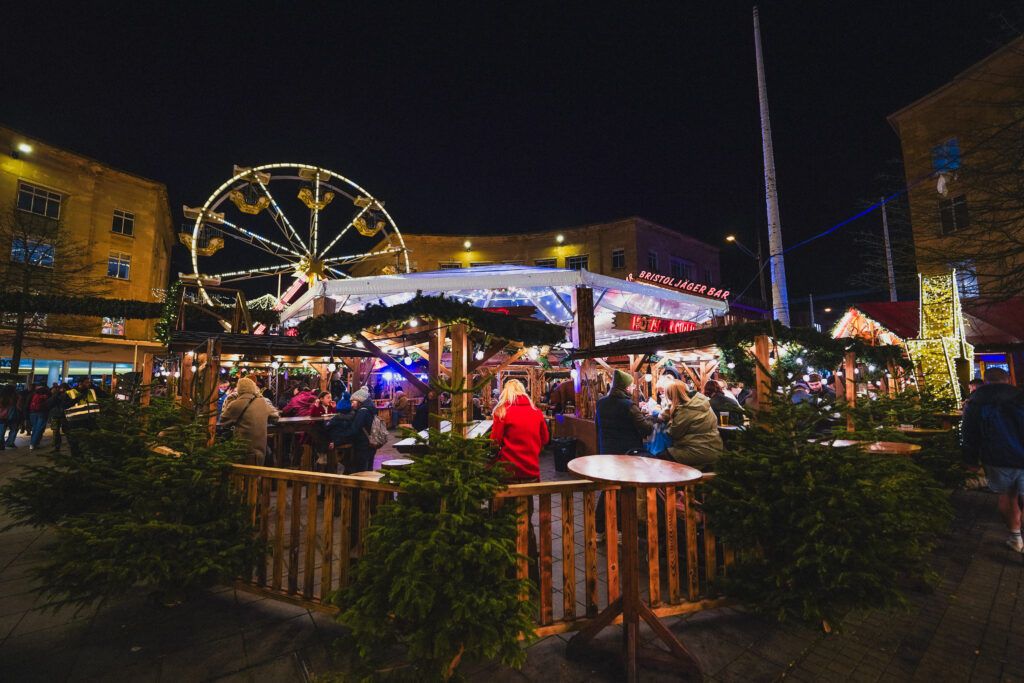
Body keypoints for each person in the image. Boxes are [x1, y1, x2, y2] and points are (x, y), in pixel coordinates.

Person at [962, 367, 1024, 552]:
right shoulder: (1020, 396)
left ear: (986, 381)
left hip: (997, 456)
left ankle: (1016, 538)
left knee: (1007, 498)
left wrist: (971, 459)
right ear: (1008, 379)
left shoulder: (977, 400)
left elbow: (969, 433)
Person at [595, 370, 653, 537]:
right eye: (631, 385)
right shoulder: (629, 405)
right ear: (625, 386)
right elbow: (645, 427)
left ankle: (599, 529)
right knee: (625, 492)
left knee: (608, 490)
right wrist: (653, 419)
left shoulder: (601, 403)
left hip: (607, 451)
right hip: (627, 453)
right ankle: (621, 530)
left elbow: (597, 426)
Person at [490, 379, 549, 483]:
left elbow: (494, 442)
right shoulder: (537, 412)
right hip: (531, 470)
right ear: (523, 392)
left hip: (508, 470)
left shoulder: (502, 411)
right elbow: (545, 439)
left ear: (506, 392)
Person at [218, 377, 280, 466]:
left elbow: (223, 422)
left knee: (242, 471)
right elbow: (275, 418)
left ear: (239, 388)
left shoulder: (234, 404)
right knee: (258, 470)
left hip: (241, 446)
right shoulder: (263, 402)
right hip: (260, 446)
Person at [664, 380, 723, 472]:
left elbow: (674, 434)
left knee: (660, 457)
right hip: (716, 448)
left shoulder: (685, 410)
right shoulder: (700, 401)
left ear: (671, 395)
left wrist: (669, 421)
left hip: (698, 452)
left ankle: (678, 484)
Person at [326, 386, 379, 473]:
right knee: (369, 469)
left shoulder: (362, 412)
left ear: (359, 401)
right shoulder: (370, 409)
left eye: (353, 401)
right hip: (370, 443)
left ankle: (361, 486)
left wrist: (337, 441)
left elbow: (353, 430)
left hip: (363, 444)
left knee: (362, 471)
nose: (352, 404)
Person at [63, 378, 103, 457]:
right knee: (75, 443)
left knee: (92, 441)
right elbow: (64, 405)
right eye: (87, 382)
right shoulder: (70, 393)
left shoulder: (92, 391)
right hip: (75, 422)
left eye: (89, 382)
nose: (89, 384)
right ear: (80, 383)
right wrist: (77, 399)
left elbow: (104, 395)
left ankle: (92, 456)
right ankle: (77, 459)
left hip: (91, 421)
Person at [28, 385, 50, 450]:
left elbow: (27, 403)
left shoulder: (32, 395)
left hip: (32, 413)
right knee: (39, 429)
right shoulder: (45, 397)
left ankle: (33, 443)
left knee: (34, 428)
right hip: (41, 413)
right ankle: (33, 443)